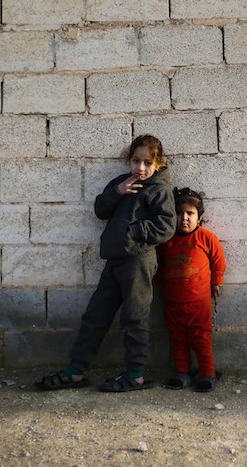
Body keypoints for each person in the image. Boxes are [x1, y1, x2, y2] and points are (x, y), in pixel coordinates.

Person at [36, 134, 176, 393]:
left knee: (134, 318)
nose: (141, 168)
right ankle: (75, 372)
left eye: (147, 163)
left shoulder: (159, 190)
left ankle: (135, 375)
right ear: (129, 160)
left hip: (138, 261)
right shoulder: (122, 183)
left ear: (158, 164)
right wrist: (117, 192)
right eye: (136, 161)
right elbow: (100, 210)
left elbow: (167, 226)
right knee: (95, 315)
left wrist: (136, 230)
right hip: (114, 260)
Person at [157, 187, 226, 392]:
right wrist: (158, 287)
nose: (184, 218)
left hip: (198, 304)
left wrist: (216, 282)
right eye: (179, 213)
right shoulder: (166, 241)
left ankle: (207, 374)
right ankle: (182, 372)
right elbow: (158, 266)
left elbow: (218, 261)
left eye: (190, 213)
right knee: (177, 339)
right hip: (172, 303)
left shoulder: (206, 238)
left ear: (199, 217)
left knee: (201, 339)